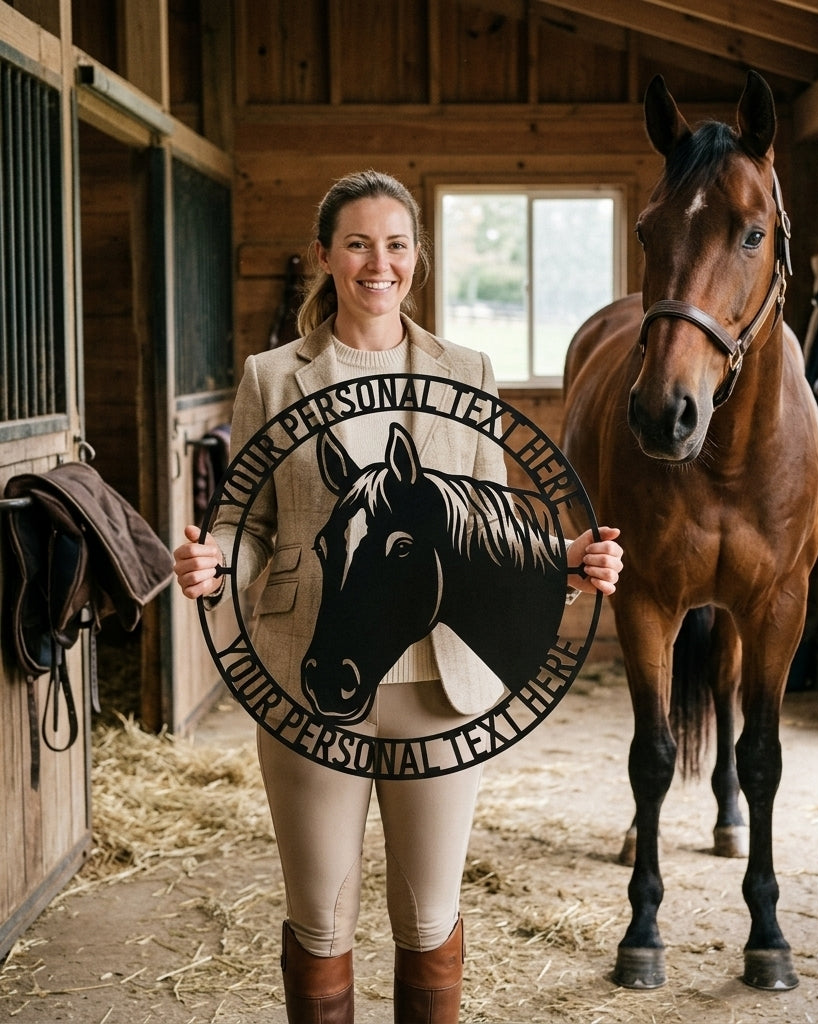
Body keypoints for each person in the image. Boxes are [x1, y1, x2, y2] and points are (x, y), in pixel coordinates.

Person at [172, 170, 623, 1024]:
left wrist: (567, 557)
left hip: (440, 688)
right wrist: (216, 560)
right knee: (320, 921)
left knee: (427, 921)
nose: (378, 263)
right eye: (356, 243)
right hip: (310, 671)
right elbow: (247, 520)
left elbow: (496, 530)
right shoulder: (275, 376)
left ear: (416, 256)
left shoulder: (467, 370)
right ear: (325, 257)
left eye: (395, 244)